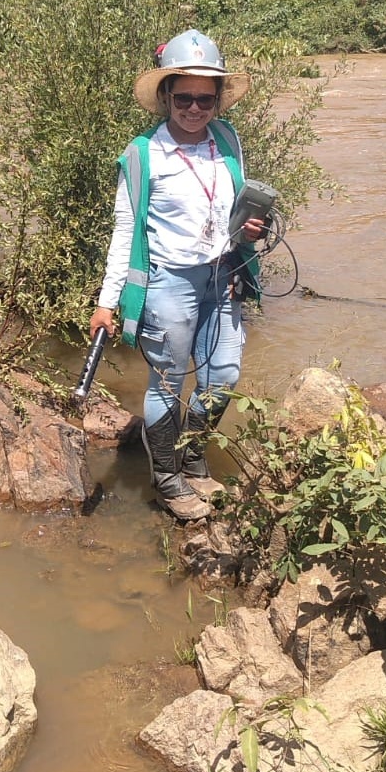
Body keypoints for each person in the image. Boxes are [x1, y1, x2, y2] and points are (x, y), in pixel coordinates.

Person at [89, 29, 267, 521]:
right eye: (184, 97)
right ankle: (168, 478)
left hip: (222, 275)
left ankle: (193, 460)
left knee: (224, 374)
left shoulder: (227, 139)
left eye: (205, 99)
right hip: (169, 282)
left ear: (218, 102)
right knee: (167, 382)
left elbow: (234, 212)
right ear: (166, 96)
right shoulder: (142, 155)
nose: (194, 108)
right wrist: (107, 302)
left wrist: (250, 232)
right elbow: (125, 231)